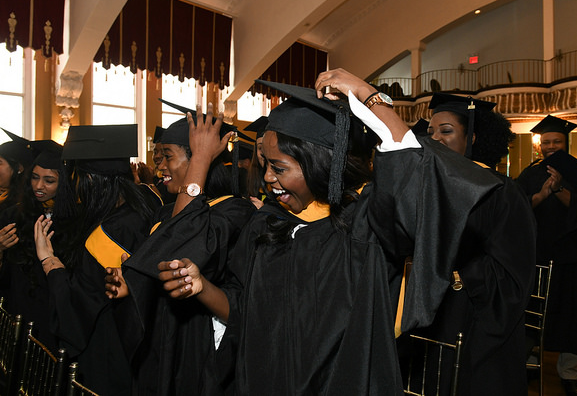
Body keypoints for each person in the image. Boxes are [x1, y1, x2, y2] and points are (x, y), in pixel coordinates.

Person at [157, 69, 501, 395]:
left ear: (319, 163)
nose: (267, 179)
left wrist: (369, 98)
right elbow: (243, 311)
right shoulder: (267, 225)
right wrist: (201, 286)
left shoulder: (365, 226)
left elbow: (413, 177)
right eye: (266, 165)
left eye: (279, 168)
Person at [104, 112, 256, 395]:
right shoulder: (164, 211)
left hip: (198, 347)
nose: (160, 167)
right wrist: (133, 285)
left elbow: (185, 246)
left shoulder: (235, 210)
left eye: (168, 156)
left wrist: (200, 157)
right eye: (158, 157)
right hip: (160, 343)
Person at [417, 93, 536, 395]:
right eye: (430, 132)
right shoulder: (428, 186)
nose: (435, 138)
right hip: (428, 311)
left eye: (446, 131)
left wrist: (457, 273)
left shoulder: (500, 191)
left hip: (473, 316)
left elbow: (512, 273)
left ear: (472, 137)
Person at [34, 124, 161, 396]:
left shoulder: (107, 235)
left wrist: (49, 261)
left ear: (92, 180)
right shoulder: (146, 207)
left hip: (107, 357)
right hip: (144, 355)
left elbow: (75, 315)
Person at [516, 115, 577, 396]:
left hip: (571, 256)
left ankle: (569, 374)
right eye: (546, 142)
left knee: (572, 316)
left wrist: (560, 189)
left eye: (557, 142)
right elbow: (516, 209)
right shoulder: (530, 174)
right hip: (537, 254)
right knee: (533, 314)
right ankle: (530, 364)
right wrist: (542, 194)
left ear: (566, 143)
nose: (551, 146)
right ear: (539, 146)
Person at [0, 140, 76, 349]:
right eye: (34, 177)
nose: (39, 186)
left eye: (49, 180)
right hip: (18, 312)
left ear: (63, 183)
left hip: (52, 317)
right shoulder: (13, 216)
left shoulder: (75, 222)